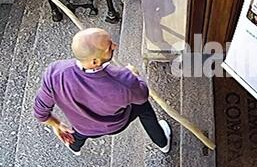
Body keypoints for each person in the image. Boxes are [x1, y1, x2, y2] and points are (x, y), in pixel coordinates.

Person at [33, 28, 171, 156]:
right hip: (116, 125)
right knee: (144, 107)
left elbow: (40, 113)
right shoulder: (124, 81)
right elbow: (142, 95)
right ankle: (162, 142)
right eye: (109, 47)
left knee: (78, 134)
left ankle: (74, 147)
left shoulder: (54, 73)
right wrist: (135, 76)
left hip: (83, 128)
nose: (115, 46)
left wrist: (56, 124)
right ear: (95, 61)